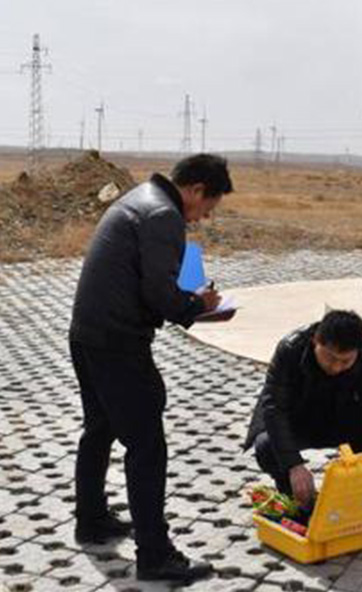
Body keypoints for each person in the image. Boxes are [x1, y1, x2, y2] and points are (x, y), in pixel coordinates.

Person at [69, 153, 233, 583]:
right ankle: (155, 555)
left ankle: (91, 521)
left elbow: (150, 279)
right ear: (196, 190)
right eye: (206, 208)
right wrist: (201, 304)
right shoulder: (163, 215)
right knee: (147, 447)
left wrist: (187, 296)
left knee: (100, 428)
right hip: (118, 344)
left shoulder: (138, 198)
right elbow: (161, 295)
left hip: (87, 334)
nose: (201, 219)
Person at [243, 310, 362, 506]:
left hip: (338, 418)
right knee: (266, 444)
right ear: (315, 341)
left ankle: (354, 496)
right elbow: (274, 408)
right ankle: (294, 494)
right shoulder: (291, 348)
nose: (336, 367)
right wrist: (294, 465)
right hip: (298, 419)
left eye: (345, 361)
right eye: (330, 357)